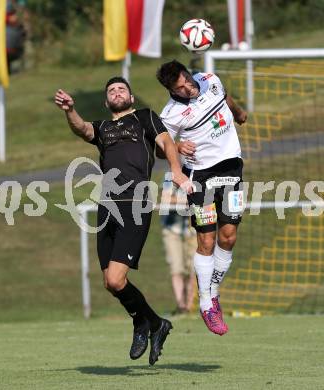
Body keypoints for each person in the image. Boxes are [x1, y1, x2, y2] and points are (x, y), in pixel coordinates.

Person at [54, 77, 193, 365]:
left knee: (117, 279)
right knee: (110, 282)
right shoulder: (104, 128)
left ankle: (144, 324)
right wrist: (70, 110)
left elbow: (167, 143)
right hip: (107, 207)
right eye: (111, 91)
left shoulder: (144, 118)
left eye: (122, 89)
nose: (117, 93)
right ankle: (154, 323)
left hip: (135, 203)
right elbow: (82, 129)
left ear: (131, 97)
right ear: (107, 103)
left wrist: (177, 171)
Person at [156, 60, 247, 336]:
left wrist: (238, 112)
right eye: (178, 88)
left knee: (228, 236)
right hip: (200, 178)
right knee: (206, 238)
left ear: (188, 73)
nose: (186, 89)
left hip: (231, 169)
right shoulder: (171, 114)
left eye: (186, 81)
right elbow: (161, 148)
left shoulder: (210, 79)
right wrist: (177, 146)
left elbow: (224, 95)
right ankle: (206, 304)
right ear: (170, 90)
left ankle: (213, 291)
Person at [160, 175, 196, 314]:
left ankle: (189, 306)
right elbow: (166, 199)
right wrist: (187, 200)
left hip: (193, 230)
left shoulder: (198, 172)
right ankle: (181, 307)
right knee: (176, 269)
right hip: (172, 229)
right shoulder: (170, 177)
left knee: (193, 270)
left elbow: (204, 197)